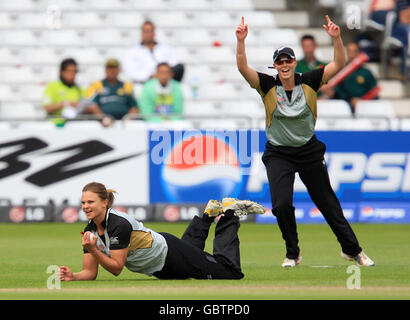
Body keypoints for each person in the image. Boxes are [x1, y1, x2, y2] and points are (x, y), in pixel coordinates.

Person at [236, 15, 375, 268]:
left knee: (327, 204)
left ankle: (352, 250)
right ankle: (293, 253)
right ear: (275, 66)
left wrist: (337, 38)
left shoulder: (309, 81)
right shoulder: (267, 86)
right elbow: (243, 69)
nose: (285, 64)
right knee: (281, 205)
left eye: (288, 60)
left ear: (294, 62)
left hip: (308, 150)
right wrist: (241, 41)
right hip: (278, 152)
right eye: (280, 61)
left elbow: (339, 64)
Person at [59, 182, 265, 281]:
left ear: (104, 202)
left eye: (90, 202)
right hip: (161, 269)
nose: (85, 206)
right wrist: (73, 276)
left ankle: (229, 214)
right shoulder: (90, 230)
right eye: (83, 202)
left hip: (170, 254)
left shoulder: (117, 224)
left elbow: (116, 268)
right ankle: (207, 217)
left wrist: (94, 250)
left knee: (231, 273)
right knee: (192, 252)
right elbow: (90, 273)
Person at [320, 42, 378, 113]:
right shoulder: (340, 71)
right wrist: (350, 100)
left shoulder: (366, 72)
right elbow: (337, 91)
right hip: (344, 104)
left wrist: (362, 100)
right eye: (349, 52)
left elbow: (374, 91)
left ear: (359, 53)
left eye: (354, 52)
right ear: (346, 53)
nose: (352, 55)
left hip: (365, 104)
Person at [392, 0, 410, 75]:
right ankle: (405, 67)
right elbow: (404, 19)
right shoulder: (403, 1)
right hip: (399, 28)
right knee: (408, 31)